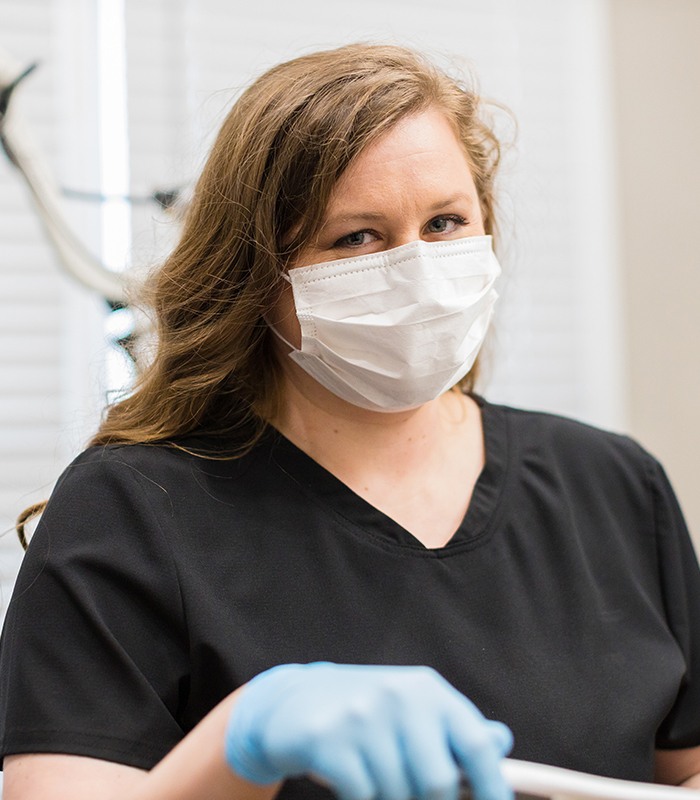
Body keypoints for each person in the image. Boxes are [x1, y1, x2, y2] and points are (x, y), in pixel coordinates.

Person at [1, 42, 699, 800]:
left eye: (444, 223)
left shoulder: (613, 485)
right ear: (258, 277)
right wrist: (239, 745)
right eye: (357, 237)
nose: (419, 272)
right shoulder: (131, 513)